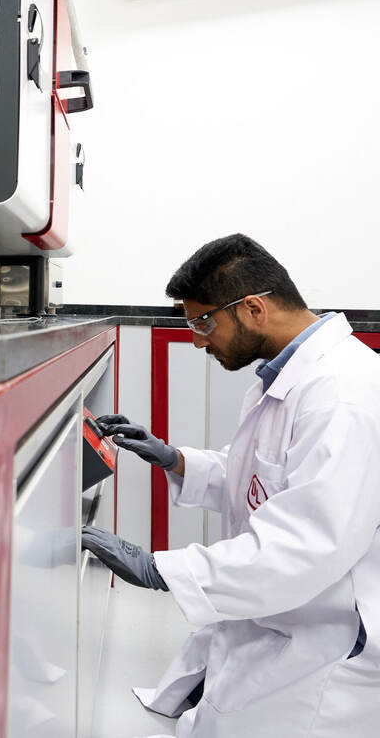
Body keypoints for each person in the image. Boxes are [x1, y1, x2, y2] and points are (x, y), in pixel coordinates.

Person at [82, 233, 380, 737]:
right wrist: (175, 459)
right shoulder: (286, 378)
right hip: (280, 618)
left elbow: (306, 545)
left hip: (323, 651)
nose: (198, 339)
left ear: (255, 309)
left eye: (203, 322)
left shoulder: (344, 396)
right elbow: (269, 482)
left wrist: (159, 569)